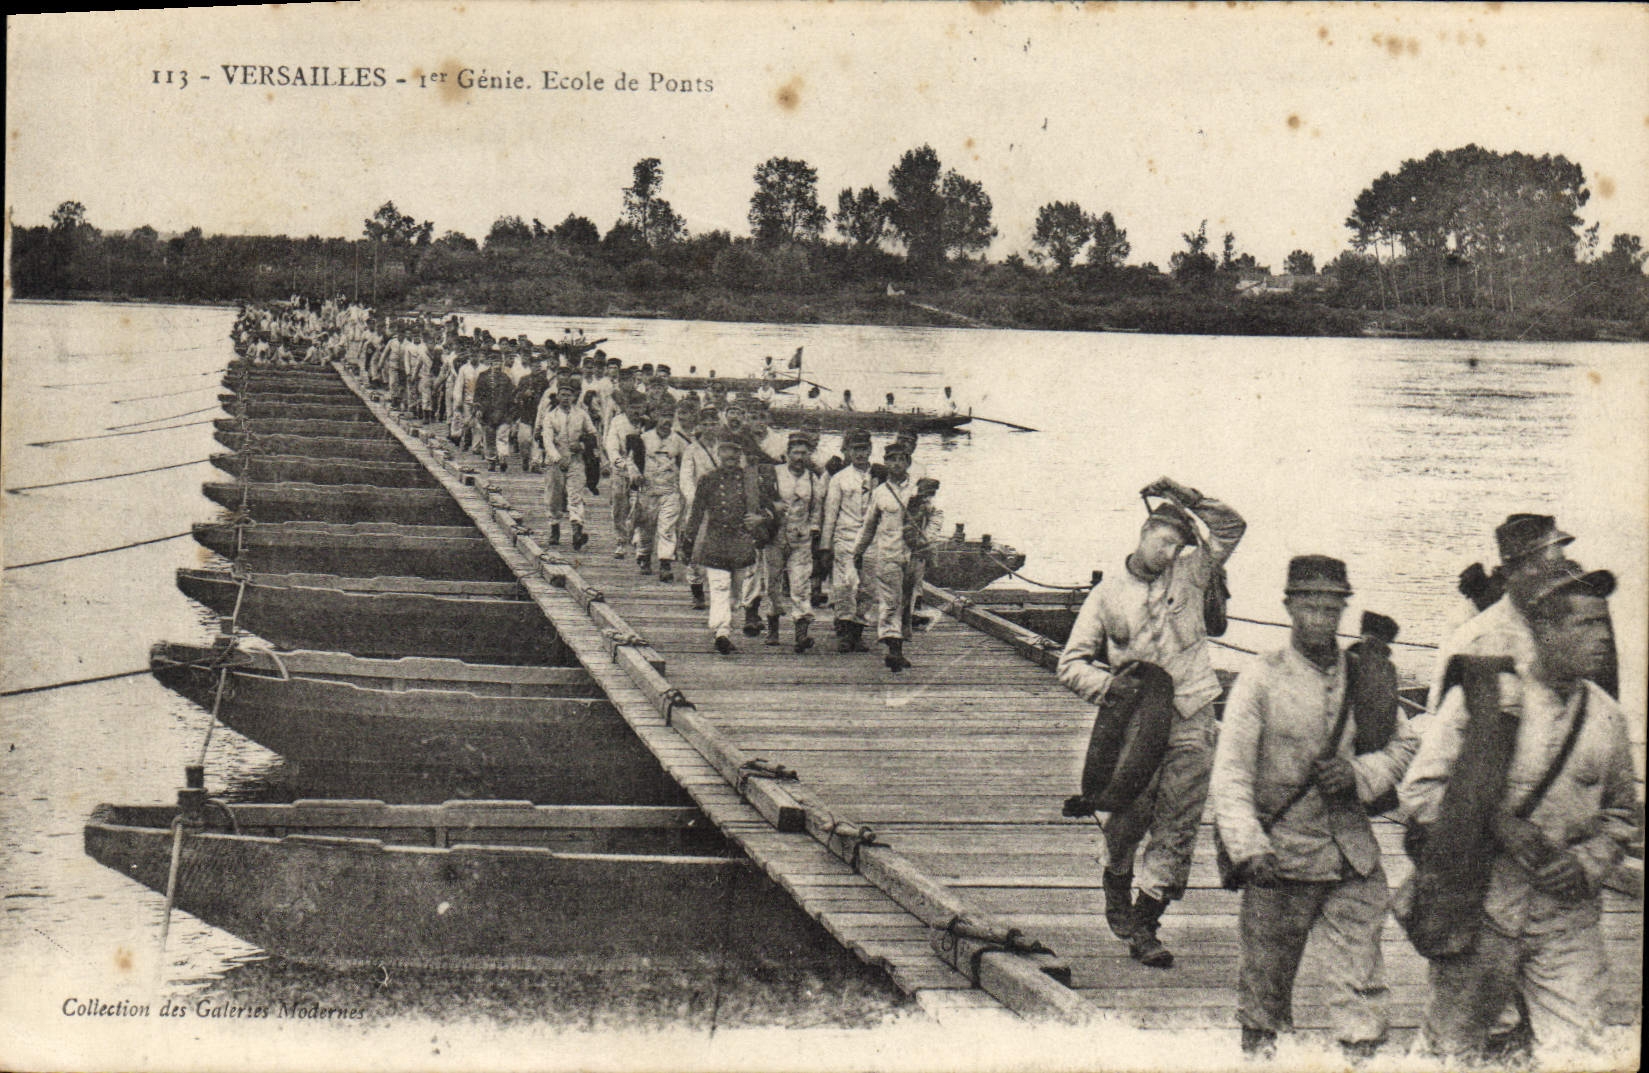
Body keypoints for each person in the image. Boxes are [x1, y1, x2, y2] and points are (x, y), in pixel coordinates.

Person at [1400, 562, 1638, 1062]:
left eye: (1604, 622)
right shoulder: (1485, 700)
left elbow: (1620, 817)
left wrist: (1587, 863)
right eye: (1586, 624)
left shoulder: (1608, 719)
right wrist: (1497, 824)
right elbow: (1419, 794)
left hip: (1567, 919)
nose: (1602, 637)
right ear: (1544, 630)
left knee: (1582, 1055)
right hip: (1482, 909)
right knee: (1452, 1052)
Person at [1210, 556, 1419, 1060]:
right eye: (1311, 606)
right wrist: (1248, 848)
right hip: (1279, 862)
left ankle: (1359, 1059)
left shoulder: (1366, 677)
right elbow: (1231, 773)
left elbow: (1405, 745)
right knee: (1265, 993)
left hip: (1352, 859)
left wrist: (1360, 774)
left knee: (1362, 985)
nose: (1323, 618)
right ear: (1289, 607)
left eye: (1333, 607)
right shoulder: (1261, 677)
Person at [1056, 477, 1246, 967]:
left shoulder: (1193, 574)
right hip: (1136, 723)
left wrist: (1188, 497)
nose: (1169, 551)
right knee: (1130, 817)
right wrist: (1108, 687)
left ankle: (1147, 921)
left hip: (1191, 712)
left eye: (1178, 544)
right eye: (1162, 540)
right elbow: (1071, 662)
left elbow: (1232, 526)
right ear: (1141, 535)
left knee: (1178, 823)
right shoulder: (1106, 594)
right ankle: (1116, 877)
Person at [1428, 513, 1574, 710]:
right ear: (1521, 569)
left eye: (1562, 566)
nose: (1564, 576)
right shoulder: (1475, 640)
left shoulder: (1569, 629)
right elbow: (1441, 716)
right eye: (1553, 567)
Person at [683, 439, 775, 655]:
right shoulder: (708, 480)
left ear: (740, 456)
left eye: (735, 455)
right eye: (726, 454)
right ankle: (722, 632)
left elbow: (770, 509)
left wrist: (760, 519)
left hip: (741, 543)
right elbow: (696, 512)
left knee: (735, 594)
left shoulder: (751, 482)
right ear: (719, 454)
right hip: (715, 541)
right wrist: (688, 540)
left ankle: (726, 623)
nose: (730, 459)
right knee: (720, 587)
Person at [852, 441, 918, 671]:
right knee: (890, 601)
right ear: (886, 463)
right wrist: (858, 550)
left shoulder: (919, 490)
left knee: (908, 601)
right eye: (892, 459)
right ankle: (894, 650)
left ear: (908, 463)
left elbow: (936, 516)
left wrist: (928, 539)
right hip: (888, 553)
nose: (897, 463)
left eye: (902, 459)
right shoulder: (880, 493)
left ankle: (899, 643)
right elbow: (869, 525)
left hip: (914, 555)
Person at [765, 432, 827, 652]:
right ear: (787, 454)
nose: (799, 457)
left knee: (800, 584)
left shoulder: (812, 479)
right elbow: (762, 499)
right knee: (772, 583)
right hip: (775, 536)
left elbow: (817, 508)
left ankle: (801, 633)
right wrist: (772, 508)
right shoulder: (775, 473)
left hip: (801, 538)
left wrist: (812, 528)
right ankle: (772, 627)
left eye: (804, 453)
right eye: (796, 453)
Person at [820, 429, 878, 653]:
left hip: (871, 540)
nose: (860, 454)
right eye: (856, 449)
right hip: (845, 537)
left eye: (864, 449)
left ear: (870, 450)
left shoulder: (879, 477)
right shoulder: (839, 479)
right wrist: (826, 545)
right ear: (849, 451)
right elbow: (831, 513)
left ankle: (858, 631)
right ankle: (844, 630)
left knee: (867, 586)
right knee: (844, 586)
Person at [539, 380, 597, 549]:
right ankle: (554, 529)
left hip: (575, 460)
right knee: (553, 497)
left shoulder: (581, 415)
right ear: (557, 397)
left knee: (575, 494)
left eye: (568, 395)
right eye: (562, 395)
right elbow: (547, 440)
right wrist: (557, 458)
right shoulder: (550, 416)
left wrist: (582, 445)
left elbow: (592, 434)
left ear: (574, 397)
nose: (565, 398)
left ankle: (577, 530)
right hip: (554, 462)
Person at [677, 408, 721, 610]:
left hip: (723, 506)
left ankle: (720, 592)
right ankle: (697, 591)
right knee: (695, 550)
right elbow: (686, 478)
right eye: (706, 424)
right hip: (699, 507)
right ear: (700, 426)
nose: (710, 427)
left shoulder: (725, 448)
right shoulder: (692, 450)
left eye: (714, 423)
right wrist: (696, 500)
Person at [636, 406, 685, 582]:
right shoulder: (643, 438)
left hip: (669, 490)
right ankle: (644, 555)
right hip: (648, 489)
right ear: (656, 417)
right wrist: (635, 475)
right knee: (647, 526)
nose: (667, 421)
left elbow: (685, 463)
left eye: (670, 416)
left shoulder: (678, 440)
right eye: (663, 415)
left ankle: (665, 563)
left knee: (667, 527)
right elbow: (632, 460)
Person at [472, 349, 515, 472]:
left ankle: (502, 458)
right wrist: (478, 408)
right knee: (489, 436)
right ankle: (491, 460)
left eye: (499, 362)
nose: (497, 365)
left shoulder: (506, 378)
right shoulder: (482, 377)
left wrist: (511, 413)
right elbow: (478, 395)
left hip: (503, 412)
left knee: (502, 436)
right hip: (487, 413)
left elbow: (511, 396)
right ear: (490, 363)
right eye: (494, 362)